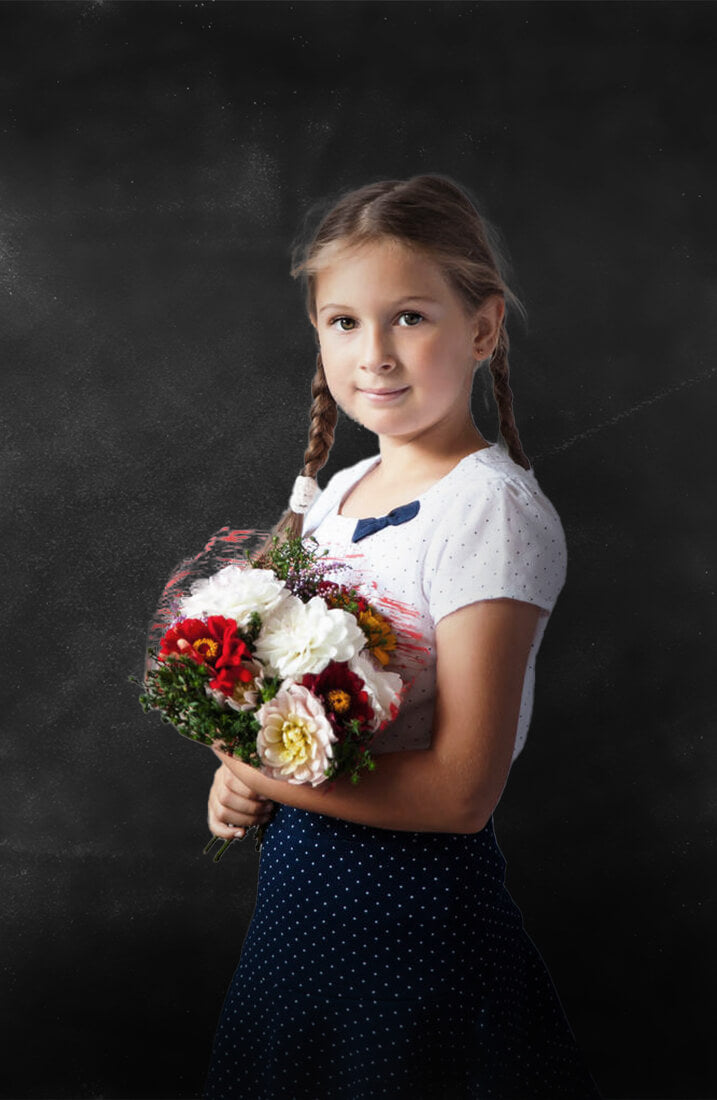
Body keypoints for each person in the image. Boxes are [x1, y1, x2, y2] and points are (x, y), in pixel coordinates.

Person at [202, 175, 600, 1098]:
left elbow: (461, 791)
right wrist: (240, 770)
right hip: (300, 922)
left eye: (409, 317)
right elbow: (304, 710)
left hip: (413, 934)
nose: (373, 353)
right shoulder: (337, 496)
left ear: (483, 329)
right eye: (343, 322)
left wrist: (262, 769)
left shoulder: (486, 511)